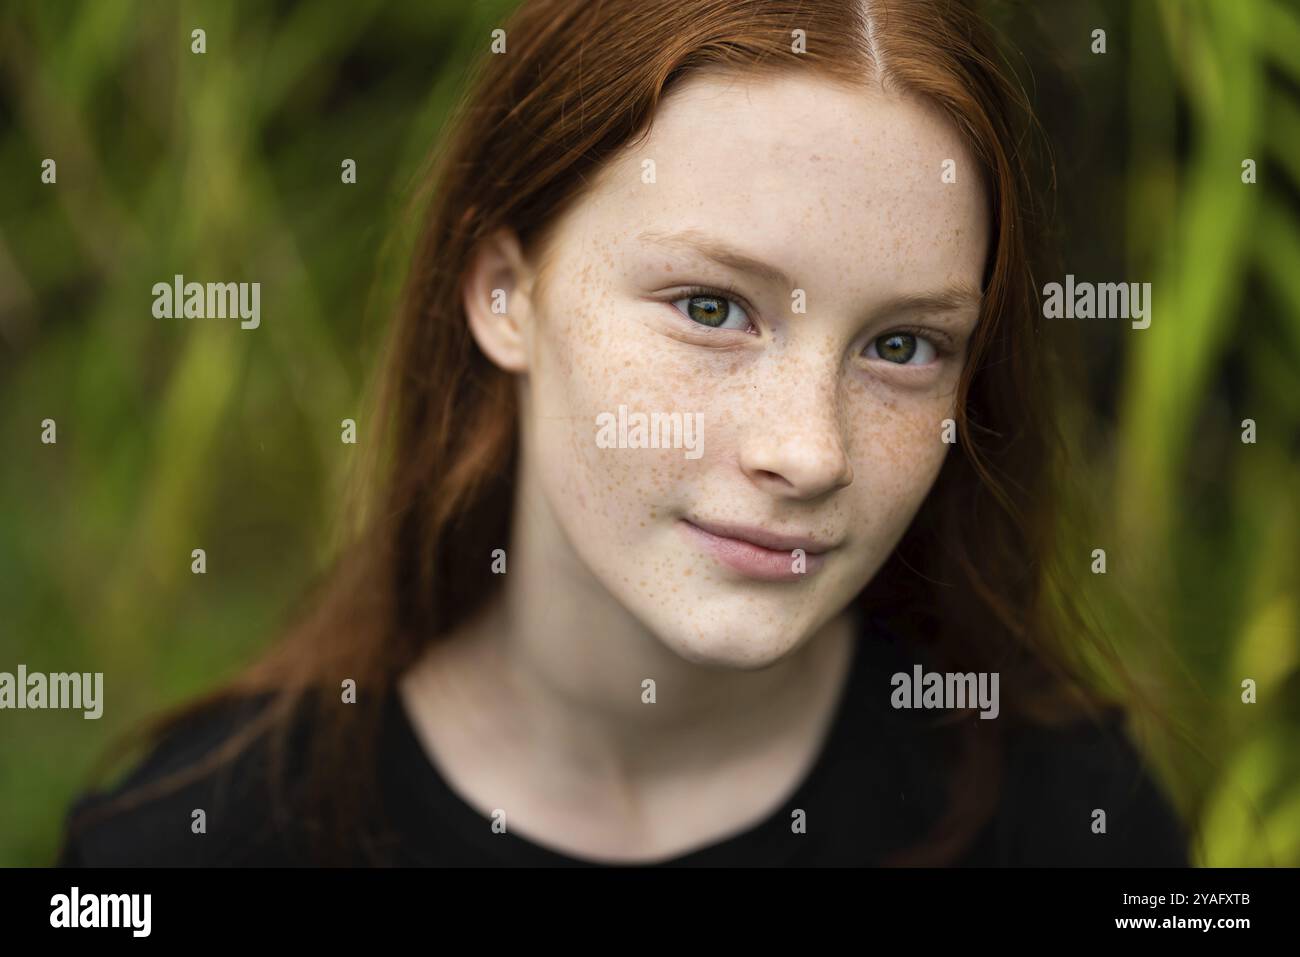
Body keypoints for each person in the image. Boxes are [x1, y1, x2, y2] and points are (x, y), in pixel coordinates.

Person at [57, 0, 1190, 867]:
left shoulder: (1073, 820)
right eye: (711, 309)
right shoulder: (189, 848)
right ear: (504, 292)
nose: (808, 451)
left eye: (902, 346)